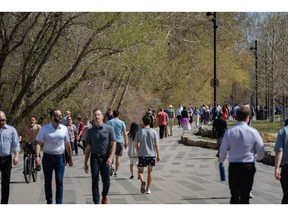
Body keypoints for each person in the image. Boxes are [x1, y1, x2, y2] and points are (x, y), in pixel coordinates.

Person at [219, 106, 265, 204]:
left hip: (234, 166)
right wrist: (256, 157)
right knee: (245, 195)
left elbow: (223, 150)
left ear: (236, 116)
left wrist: (221, 160)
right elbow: (261, 149)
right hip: (248, 165)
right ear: (248, 117)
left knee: (234, 194)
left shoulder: (230, 132)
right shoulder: (253, 132)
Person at [35, 109, 73, 204]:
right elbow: (38, 143)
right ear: (52, 117)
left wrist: (70, 158)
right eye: (58, 115)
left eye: (60, 115)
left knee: (59, 181)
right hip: (47, 158)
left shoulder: (64, 129)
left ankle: (59, 203)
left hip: (59, 158)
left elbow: (67, 144)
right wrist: (37, 156)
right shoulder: (44, 129)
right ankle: (49, 202)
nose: (61, 117)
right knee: (47, 182)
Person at [84, 108, 116, 204]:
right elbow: (88, 147)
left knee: (106, 180)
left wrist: (111, 157)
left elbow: (114, 143)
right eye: (95, 115)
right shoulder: (90, 131)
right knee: (95, 179)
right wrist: (85, 162)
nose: (97, 116)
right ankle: (96, 202)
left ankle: (104, 195)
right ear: (93, 117)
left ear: (102, 116)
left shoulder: (109, 129)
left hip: (106, 157)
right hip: (94, 157)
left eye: (98, 114)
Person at [135, 116, 160, 194]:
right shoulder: (154, 132)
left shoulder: (139, 132)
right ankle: (148, 189)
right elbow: (156, 144)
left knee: (140, 172)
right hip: (151, 155)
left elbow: (136, 144)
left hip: (142, 155)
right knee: (150, 172)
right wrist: (158, 155)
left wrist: (138, 151)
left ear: (143, 122)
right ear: (150, 122)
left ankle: (142, 181)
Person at [0, 111, 20, 204]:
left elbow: (16, 144)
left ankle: (4, 204)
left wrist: (16, 156)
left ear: (6, 119)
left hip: (6, 159)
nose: (1, 122)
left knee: (5, 182)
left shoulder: (11, 130)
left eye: (3, 120)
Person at [106, 110, 127, 177]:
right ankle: (116, 172)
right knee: (118, 157)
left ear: (113, 115)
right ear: (119, 115)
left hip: (111, 141)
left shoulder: (108, 122)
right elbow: (124, 133)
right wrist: (126, 142)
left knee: (110, 155)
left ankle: (111, 166)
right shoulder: (121, 122)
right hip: (119, 141)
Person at [274, 121, 288, 204]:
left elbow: (279, 150)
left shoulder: (283, 131)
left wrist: (277, 168)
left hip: (286, 167)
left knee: (286, 195)